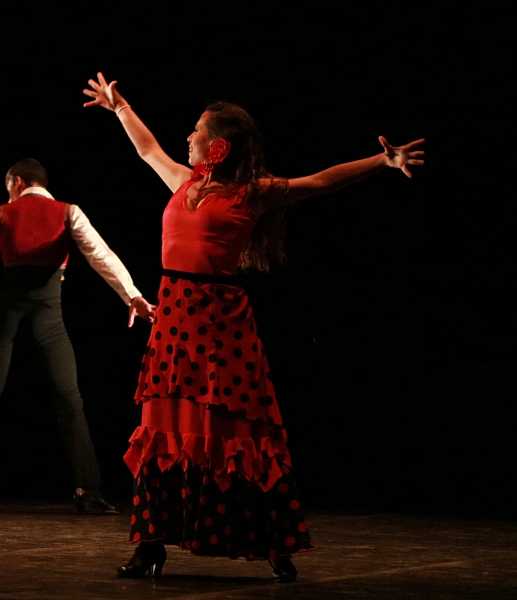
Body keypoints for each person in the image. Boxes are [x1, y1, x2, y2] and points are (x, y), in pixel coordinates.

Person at [83, 72, 424, 582]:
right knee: (165, 427)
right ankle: (151, 545)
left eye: (197, 131)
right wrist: (120, 109)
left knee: (236, 429)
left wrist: (383, 160)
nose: (188, 137)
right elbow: (149, 149)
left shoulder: (250, 194)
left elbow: (320, 181)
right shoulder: (184, 182)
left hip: (221, 323)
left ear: (218, 145)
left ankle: (272, 542)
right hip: (174, 319)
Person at [0, 158, 148, 513]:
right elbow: (102, 255)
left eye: (9, 187)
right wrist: (132, 295)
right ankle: (89, 490)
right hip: (48, 318)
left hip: (8, 315)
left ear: (17, 182)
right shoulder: (69, 212)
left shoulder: (1, 212)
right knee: (70, 399)